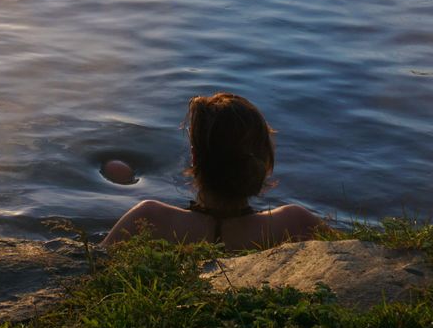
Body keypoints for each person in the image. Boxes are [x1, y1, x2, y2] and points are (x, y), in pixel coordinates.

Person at [101, 92, 320, 251]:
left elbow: (94, 270)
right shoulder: (295, 224)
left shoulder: (149, 219)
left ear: (195, 158)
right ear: (261, 161)